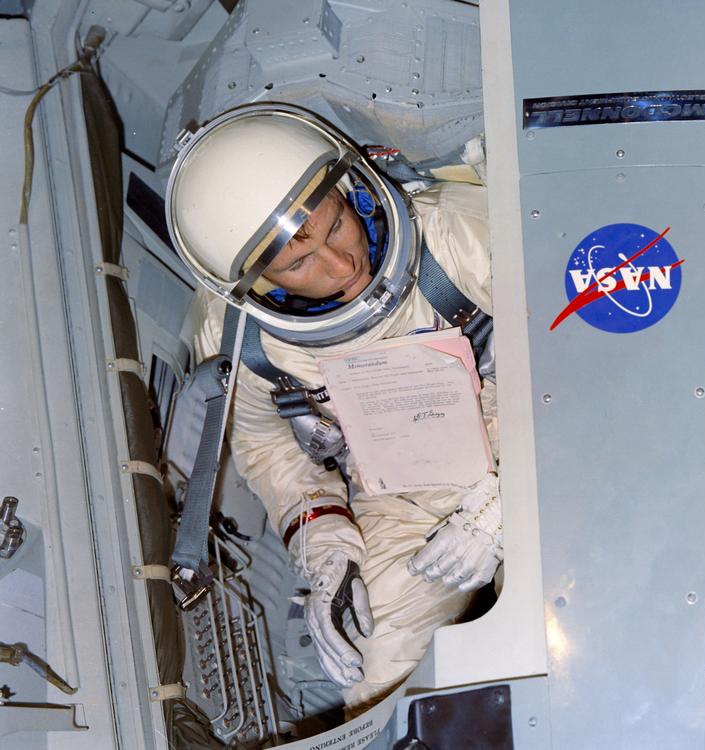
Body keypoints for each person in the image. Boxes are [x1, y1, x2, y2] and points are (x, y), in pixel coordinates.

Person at [165, 103, 500, 708]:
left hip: (541, 452)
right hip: (404, 497)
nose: (342, 264)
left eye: (337, 224)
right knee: (376, 671)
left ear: (350, 188)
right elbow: (269, 450)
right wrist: (329, 556)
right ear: (260, 285)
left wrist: (501, 508)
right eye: (299, 263)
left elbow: (586, 359)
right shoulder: (244, 342)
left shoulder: (455, 239)